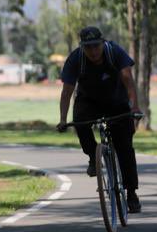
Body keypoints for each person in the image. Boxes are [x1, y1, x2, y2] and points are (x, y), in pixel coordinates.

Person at [56, 26, 143, 213]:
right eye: (88, 47)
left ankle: (132, 193)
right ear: (82, 47)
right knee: (79, 122)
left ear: (102, 43)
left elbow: (128, 80)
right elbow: (66, 92)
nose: (93, 51)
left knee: (124, 146)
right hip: (89, 101)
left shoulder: (114, 52)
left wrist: (134, 107)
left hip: (116, 100)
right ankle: (93, 156)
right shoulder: (75, 59)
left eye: (96, 46)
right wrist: (63, 119)